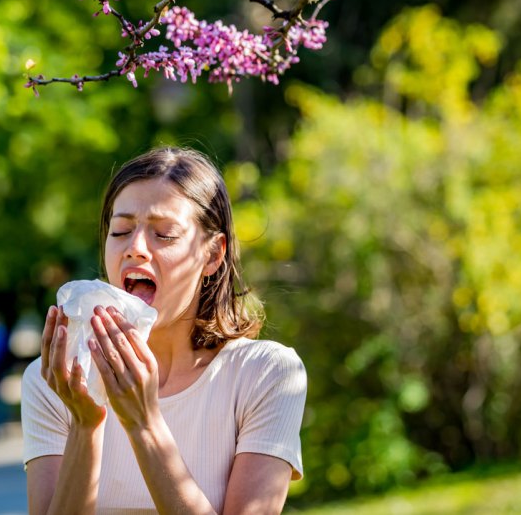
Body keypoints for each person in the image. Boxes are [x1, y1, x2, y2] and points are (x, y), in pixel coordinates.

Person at [21, 147, 307, 514]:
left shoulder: (266, 374)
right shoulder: (55, 382)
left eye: (164, 235)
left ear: (213, 255)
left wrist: (143, 422)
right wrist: (85, 424)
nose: (135, 248)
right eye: (121, 230)